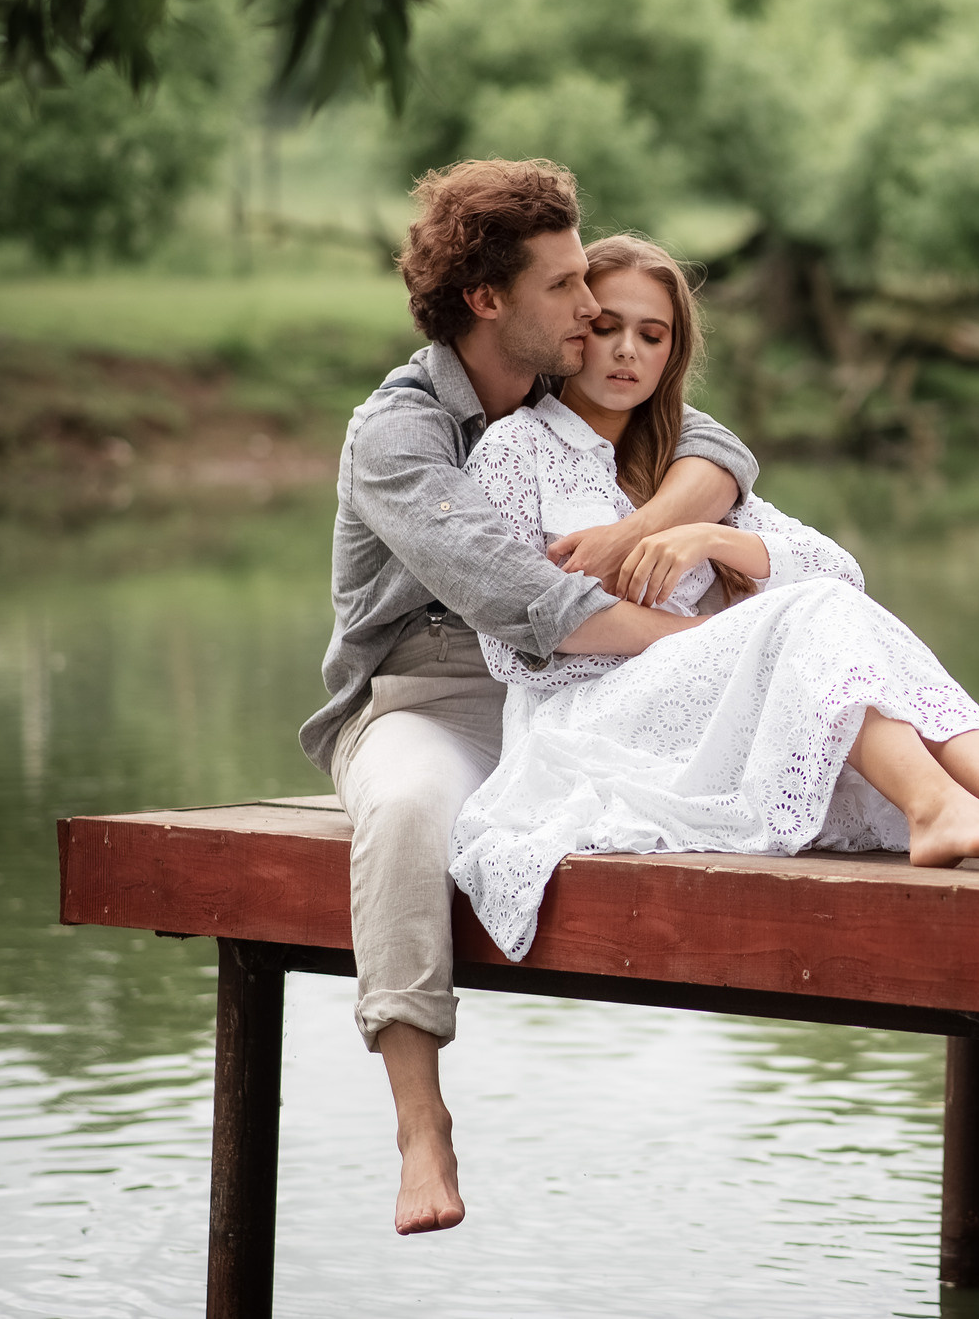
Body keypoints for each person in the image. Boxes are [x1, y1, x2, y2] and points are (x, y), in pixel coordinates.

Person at [447, 232, 979, 964]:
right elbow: (511, 644)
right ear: (574, 330)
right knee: (799, 616)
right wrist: (722, 636)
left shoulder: (684, 464)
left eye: (651, 335)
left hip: (705, 709)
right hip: (585, 719)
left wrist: (707, 539)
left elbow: (839, 571)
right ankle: (938, 804)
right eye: (607, 327)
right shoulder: (513, 452)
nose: (627, 351)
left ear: (671, 352)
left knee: (824, 605)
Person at [302, 159, 760, 1237]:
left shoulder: (558, 380)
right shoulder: (399, 435)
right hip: (439, 697)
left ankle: (974, 817)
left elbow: (716, 444)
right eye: (563, 286)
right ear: (486, 301)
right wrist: (718, 648)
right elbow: (532, 601)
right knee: (409, 809)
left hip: (593, 685)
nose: (594, 309)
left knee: (784, 722)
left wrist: (640, 530)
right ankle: (421, 1125)